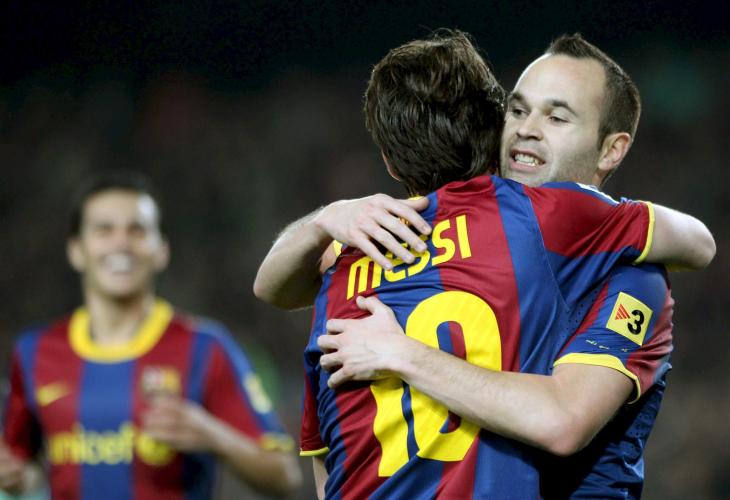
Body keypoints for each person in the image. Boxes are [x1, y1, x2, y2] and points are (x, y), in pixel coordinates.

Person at [253, 32, 714, 498]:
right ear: (493, 124)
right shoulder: (525, 227)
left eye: (556, 117)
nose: (527, 129)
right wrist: (329, 218)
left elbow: (562, 419)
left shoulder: (631, 276)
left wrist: (403, 353)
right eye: (518, 110)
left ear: (611, 149)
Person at [0, 171, 302, 499]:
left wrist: (212, 435)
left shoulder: (204, 347)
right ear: (76, 250)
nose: (121, 243)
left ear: (161, 250)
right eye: (104, 230)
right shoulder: (34, 352)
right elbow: (22, 469)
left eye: (137, 230)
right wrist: (20, 479)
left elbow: (285, 476)